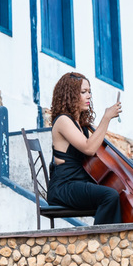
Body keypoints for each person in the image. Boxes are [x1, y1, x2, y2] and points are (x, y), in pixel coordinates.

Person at [46, 71, 123, 225]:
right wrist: (106, 118)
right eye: (83, 92)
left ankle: (114, 235)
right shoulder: (63, 121)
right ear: (70, 95)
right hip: (64, 186)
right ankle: (101, 237)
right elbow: (89, 148)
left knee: (117, 192)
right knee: (109, 196)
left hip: (78, 182)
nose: (89, 96)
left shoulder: (81, 124)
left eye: (89, 92)